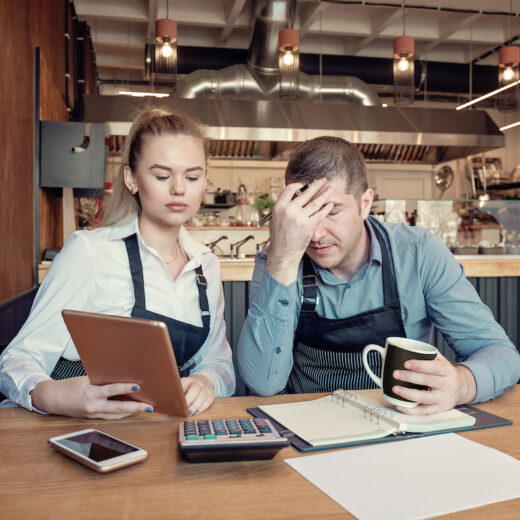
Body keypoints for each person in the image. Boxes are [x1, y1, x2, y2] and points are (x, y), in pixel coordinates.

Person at [237, 136, 520, 415]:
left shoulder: (417, 253)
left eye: (332, 211)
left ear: (365, 203)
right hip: (307, 428)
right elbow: (263, 383)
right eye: (305, 214)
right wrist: (283, 259)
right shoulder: (278, 261)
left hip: (401, 426)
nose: (316, 234)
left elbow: (500, 352)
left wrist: (462, 384)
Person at [0, 108, 235, 418]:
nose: (179, 188)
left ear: (204, 182)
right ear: (131, 179)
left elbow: (218, 363)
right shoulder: (89, 253)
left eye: (192, 176)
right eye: (162, 176)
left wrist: (207, 381)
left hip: (160, 432)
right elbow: (17, 359)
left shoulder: (206, 266)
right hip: (78, 431)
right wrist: (55, 396)